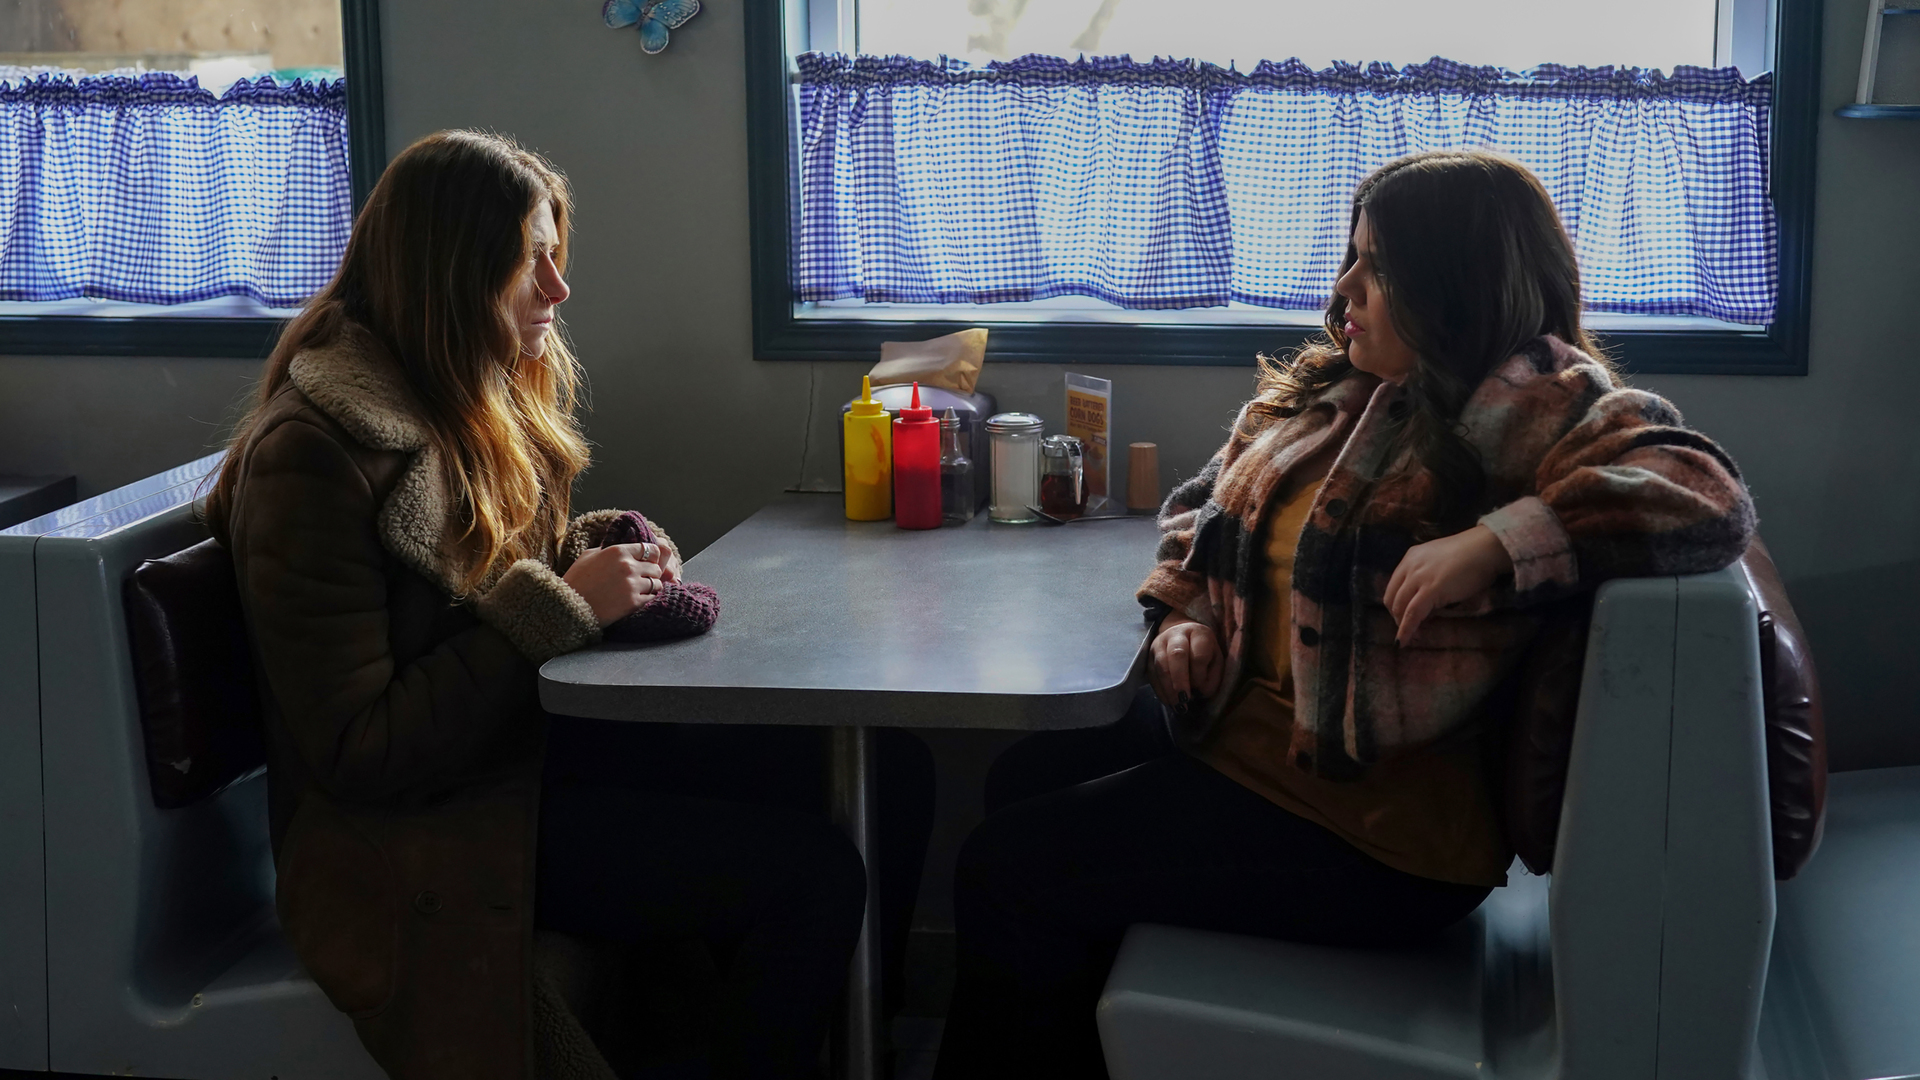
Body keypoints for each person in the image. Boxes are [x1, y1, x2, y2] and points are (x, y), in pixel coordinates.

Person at [932, 149, 1758, 1080]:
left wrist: (1500, 542)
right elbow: (1201, 509)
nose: (1345, 287)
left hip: (1369, 830)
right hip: (1242, 745)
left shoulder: (1541, 399)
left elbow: (1703, 492)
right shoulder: (1342, 388)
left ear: (1455, 281)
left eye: (1378, 265)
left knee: (1006, 870)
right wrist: (1187, 613)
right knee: (1024, 776)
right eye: (1351, 255)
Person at [206, 130, 869, 1080]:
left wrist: (606, 552)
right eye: (532, 262)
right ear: (452, 275)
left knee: (879, 776)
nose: (558, 288)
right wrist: (560, 606)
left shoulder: (464, 392)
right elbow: (359, 749)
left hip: (524, 761)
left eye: (557, 256)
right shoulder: (312, 457)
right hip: (429, 831)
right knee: (814, 874)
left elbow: (506, 570)